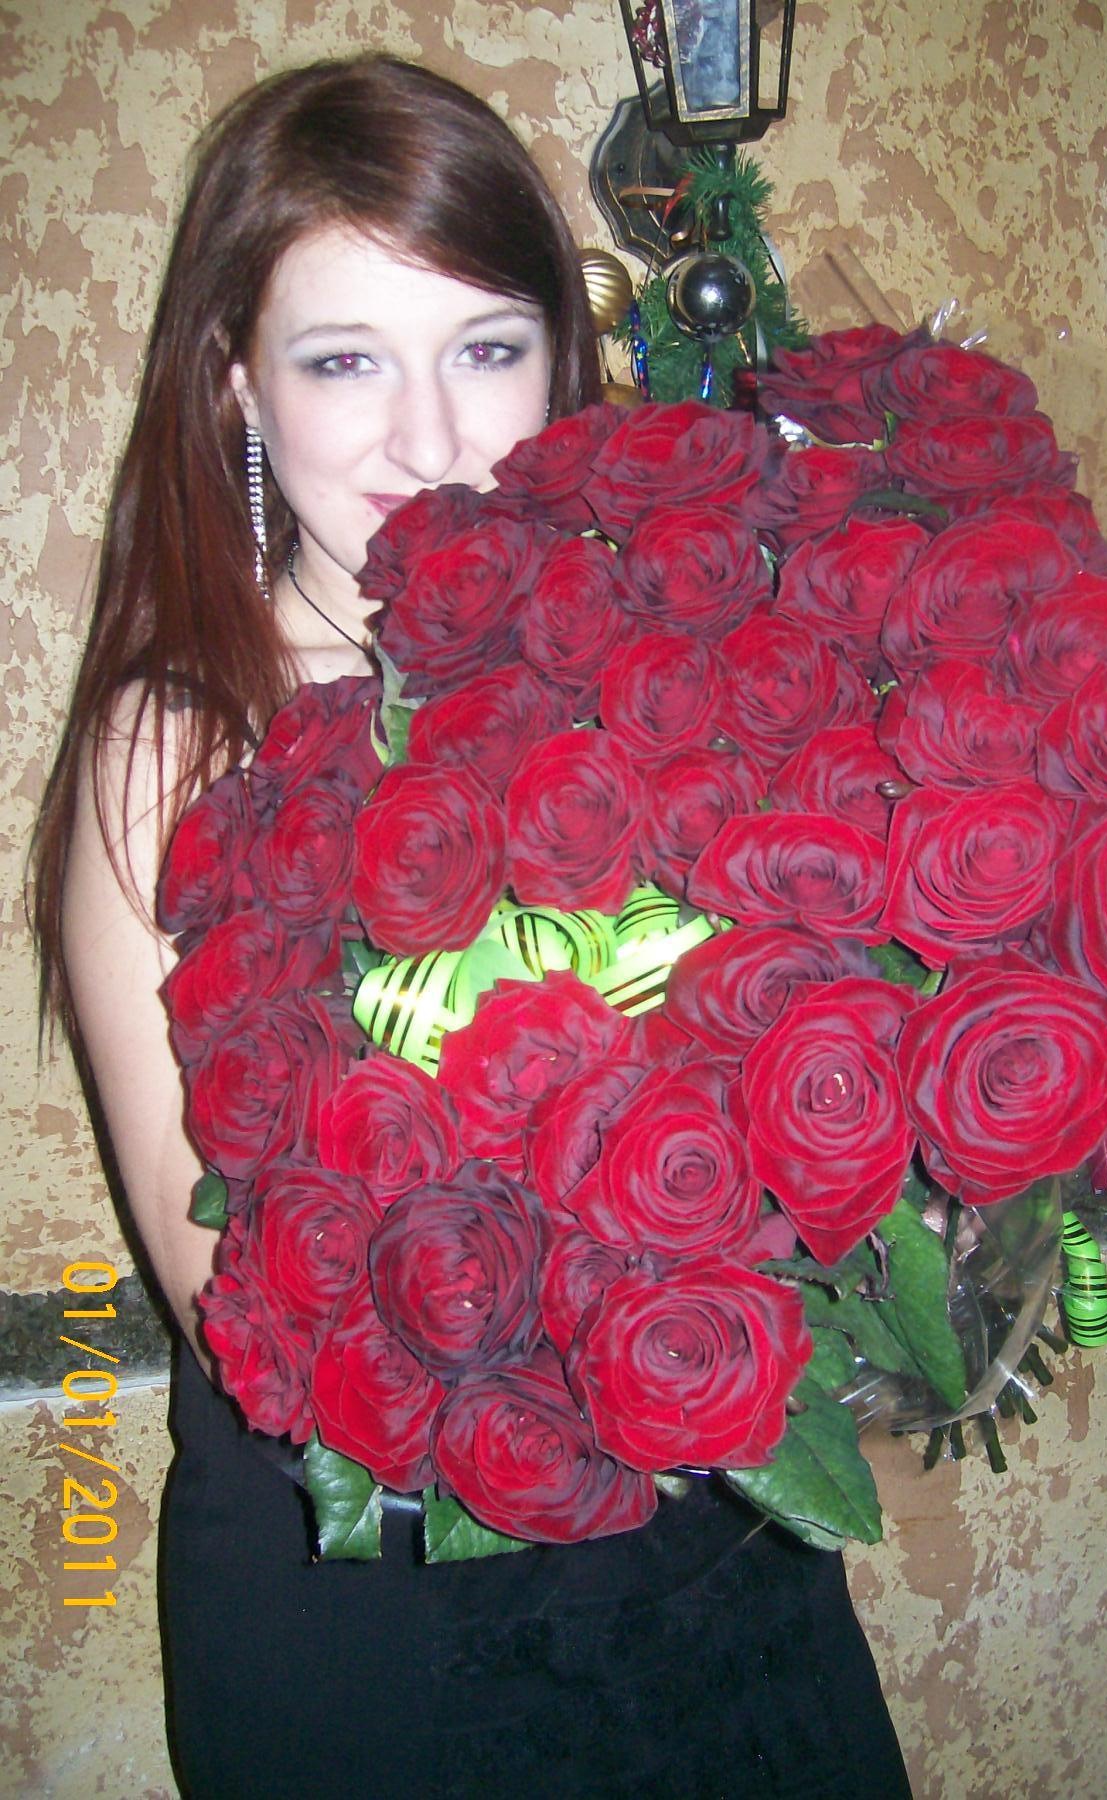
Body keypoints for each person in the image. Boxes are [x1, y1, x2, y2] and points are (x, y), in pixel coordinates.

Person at [31, 54, 912, 1799]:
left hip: (714, 1547)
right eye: (345, 361)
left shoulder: (653, 656)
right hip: (385, 1608)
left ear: (561, 358)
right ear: (236, 383)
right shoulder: (179, 740)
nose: (432, 440)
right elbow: (237, 1304)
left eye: (486, 348)